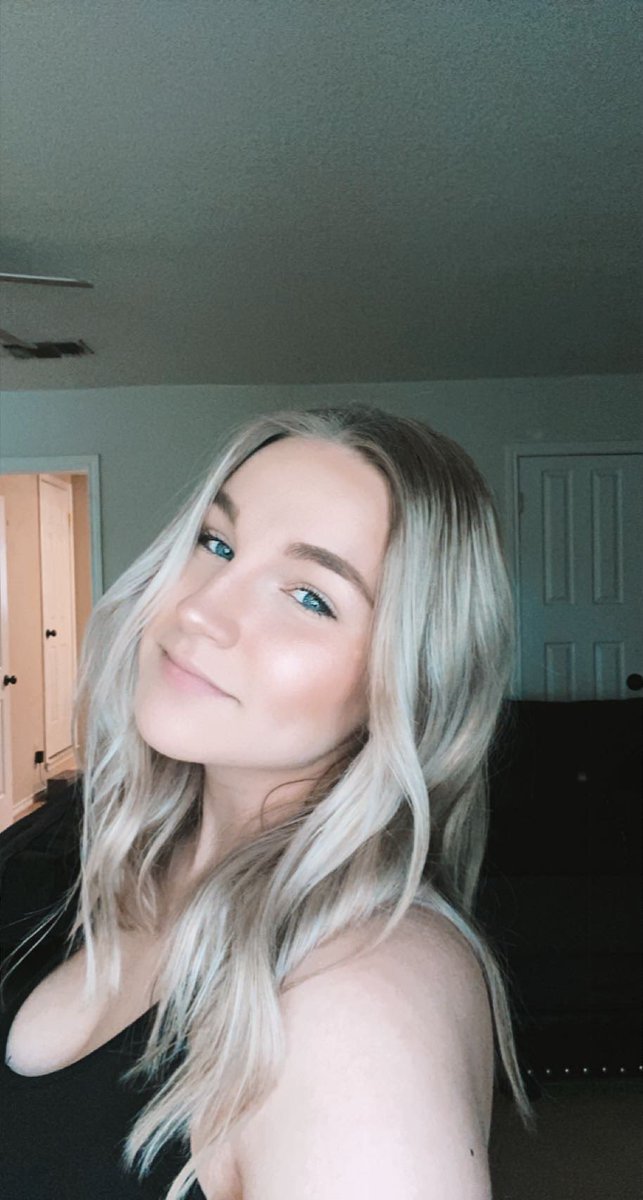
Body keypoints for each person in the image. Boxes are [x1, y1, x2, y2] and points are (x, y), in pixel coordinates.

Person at [0, 404, 534, 1199]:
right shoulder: (72, 845)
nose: (199, 608)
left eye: (310, 597)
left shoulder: (360, 1000)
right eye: (215, 543)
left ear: (406, 681)